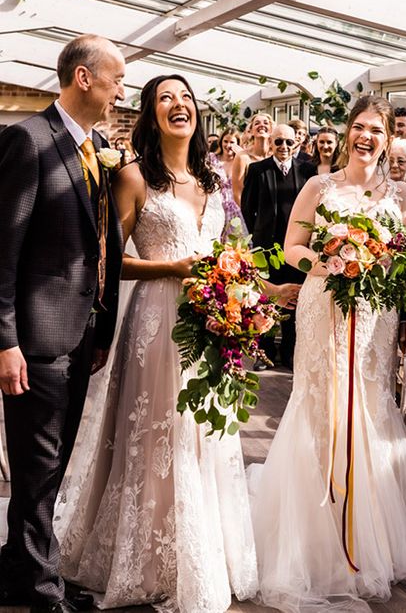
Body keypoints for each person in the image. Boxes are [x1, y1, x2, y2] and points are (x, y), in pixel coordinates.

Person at [58, 75, 299, 612]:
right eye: (166, 98)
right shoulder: (133, 176)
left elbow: (228, 252)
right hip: (153, 323)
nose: (178, 105)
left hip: (212, 321)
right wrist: (172, 267)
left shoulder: (215, 181)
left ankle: (205, 550)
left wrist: (256, 291)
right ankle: (141, 556)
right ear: (150, 112)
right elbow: (110, 262)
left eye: (186, 97)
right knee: (156, 431)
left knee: (202, 434)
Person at [251, 95, 406, 611]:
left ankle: (366, 532)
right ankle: (313, 533)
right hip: (323, 304)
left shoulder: (402, 193)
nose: (366, 137)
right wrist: (326, 258)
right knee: (321, 403)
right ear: (346, 131)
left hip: (376, 316)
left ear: (390, 137)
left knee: (368, 405)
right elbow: (291, 245)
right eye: (358, 127)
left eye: (376, 130)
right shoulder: (320, 185)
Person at [0, 33, 125, 613]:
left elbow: (103, 244)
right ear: (84, 79)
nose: (120, 93)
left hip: (79, 338)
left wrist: (101, 331)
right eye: (116, 81)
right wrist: (6, 342)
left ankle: (19, 569)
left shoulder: (96, 146)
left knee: (50, 467)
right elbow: (2, 251)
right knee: (37, 468)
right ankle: (41, 590)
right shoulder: (27, 142)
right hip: (37, 340)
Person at [241, 124, 315, 368]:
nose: (284, 147)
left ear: (296, 144)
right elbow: (246, 208)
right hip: (266, 247)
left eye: (289, 142)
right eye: (279, 142)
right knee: (267, 297)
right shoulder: (257, 170)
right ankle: (265, 352)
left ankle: (291, 352)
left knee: (295, 296)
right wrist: (258, 234)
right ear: (271, 143)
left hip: (296, 246)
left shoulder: (307, 170)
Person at [232, 112, 272, 205]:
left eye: (265, 123)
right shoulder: (242, 157)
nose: (262, 125)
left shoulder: (275, 155)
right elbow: (238, 193)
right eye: (257, 123)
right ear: (251, 131)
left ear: (271, 130)